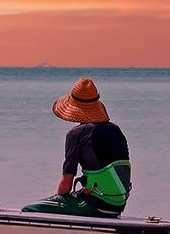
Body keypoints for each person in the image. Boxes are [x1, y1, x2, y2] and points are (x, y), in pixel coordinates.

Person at [22, 77, 131, 217]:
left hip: (94, 204)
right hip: (118, 205)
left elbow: (66, 182)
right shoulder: (115, 130)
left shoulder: (76, 134)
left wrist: (60, 201)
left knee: (29, 210)